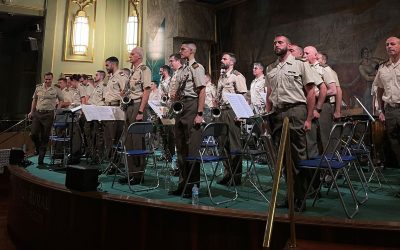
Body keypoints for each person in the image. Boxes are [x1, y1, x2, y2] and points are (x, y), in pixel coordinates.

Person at [265, 35, 317, 212]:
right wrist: (267, 113)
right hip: (277, 114)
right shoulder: (270, 68)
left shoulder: (300, 64)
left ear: (288, 45)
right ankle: (289, 197)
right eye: (274, 43)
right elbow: (269, 93)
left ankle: (300, 199)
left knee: (297, 156)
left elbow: (310, 92)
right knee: (283, 159)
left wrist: (309, 118)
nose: (277, 45)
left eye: (280, 42)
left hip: (295, 111)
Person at [168, 41, 206, 198]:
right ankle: (182, 184)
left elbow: (201, 91)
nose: (180, 50)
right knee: (180, 147)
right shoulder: (182, 69)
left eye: (183, 49)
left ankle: (193, 186)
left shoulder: (197, 67)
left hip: (192, 106)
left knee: (192, 148)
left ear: (191, 51)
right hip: (181, 106)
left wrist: (200, 114)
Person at [118, 47, 152, 185]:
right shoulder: (132, 71)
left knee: (138, 140)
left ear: (139, 56)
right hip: (129, 106)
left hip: (138, 106)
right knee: (129, 141)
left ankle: (138, 175)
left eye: (132, 54)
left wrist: (140, 111)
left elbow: (146, 91)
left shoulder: (145, 70)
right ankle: (131, 173)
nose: (130, 55)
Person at [214, 52, 247, 186]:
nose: (222, 60)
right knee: (223, 144)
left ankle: (236, 176)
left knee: (234, 145)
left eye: (224, 58)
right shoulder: (221, 76)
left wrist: (240, 114)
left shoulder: (237, 76)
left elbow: (243, 95)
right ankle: (228, 173)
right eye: (221, 58)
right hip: (221, 111)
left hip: (232, 111)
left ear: (231, 62)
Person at [373, 36, 400, 172]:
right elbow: (379, 89)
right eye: (387, 44)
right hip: (390, 110)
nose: (389, 46)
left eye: (393, 44)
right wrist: (381, 110)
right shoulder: (383, 67)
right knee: (395, 146)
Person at [28, 72, 64, 165]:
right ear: (44, 79)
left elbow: (61, 100)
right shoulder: (38, 87)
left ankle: (41, 158)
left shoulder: (56, 88)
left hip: (49, 114)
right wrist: (31, 111)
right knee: (33, 134)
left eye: (49, 79)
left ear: (52, 79)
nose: (47, 81)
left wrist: (57, 110)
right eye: (46, 79)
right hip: (38, 113)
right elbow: (34, 99)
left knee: (45, 136)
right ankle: (38, 147)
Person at [103, 57, 128, 160]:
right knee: (108, 136)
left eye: (107, 65)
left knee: (115, 137)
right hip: (108, 107)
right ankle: (110, 161)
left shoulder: (121, 76)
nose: (106, 67)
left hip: (116, 107)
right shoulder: (111, 77)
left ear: (113, 64)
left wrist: (119, 99)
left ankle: (116, 162)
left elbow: (126, 92)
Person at [317, 52, 343, 120]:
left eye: (318, 58)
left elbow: (338, 90)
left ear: (324, 61)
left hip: (329, 104)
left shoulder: (329, 71)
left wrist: (337, 111)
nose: (316, 60)